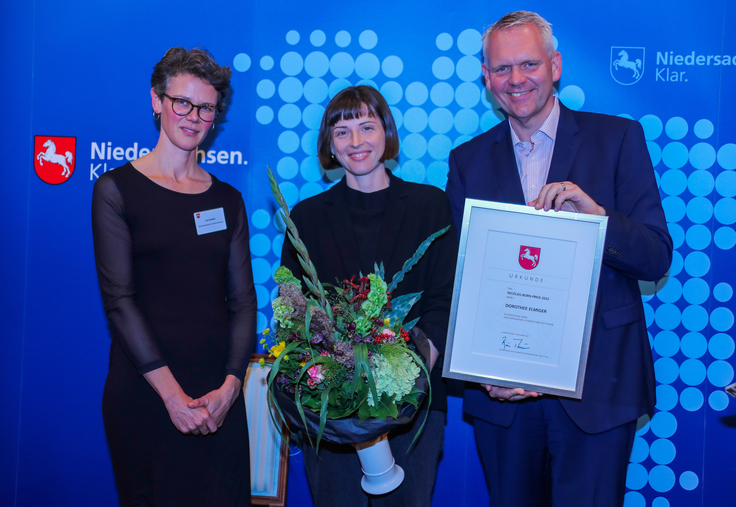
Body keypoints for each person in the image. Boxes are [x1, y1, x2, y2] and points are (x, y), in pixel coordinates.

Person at [446, 11, 672, 507]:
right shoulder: (468, 160)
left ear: (555, 65)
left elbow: (655, 257)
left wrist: (598, 219)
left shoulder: (617, 139)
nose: (516, 80)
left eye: (528, 64)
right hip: (502, 397)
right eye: (501, 69)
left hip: (598, 389)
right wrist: (480, 370)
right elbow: (460, 281)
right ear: (486, 78)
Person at [91, 47, 256, 507]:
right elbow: (119, 301)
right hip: (146, 392)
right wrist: (173, 399)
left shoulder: (227, 200)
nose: (193, 116)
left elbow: (243, 302)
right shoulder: (115, 190)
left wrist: (230, 387)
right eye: (182, 102)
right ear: (156, 100)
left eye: (205, 107)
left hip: (217, 397)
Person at [280, 85, 458, 506]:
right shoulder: (306, 216)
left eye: (367, 126)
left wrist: (406, 380)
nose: (356, 142)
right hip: (334, 411)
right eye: (342, 132)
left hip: (415, 405)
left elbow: (444, 298)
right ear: (329, 144)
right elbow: (295, 308)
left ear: (386, 133)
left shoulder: (430, 205)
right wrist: (338, 380)